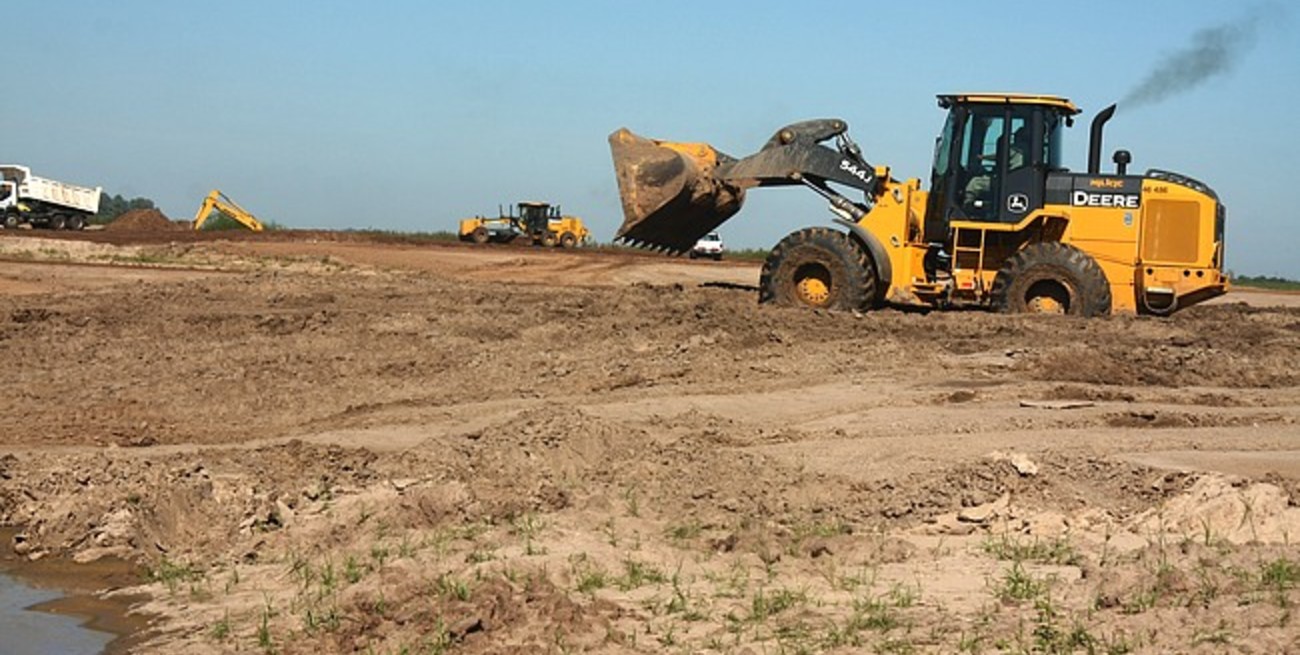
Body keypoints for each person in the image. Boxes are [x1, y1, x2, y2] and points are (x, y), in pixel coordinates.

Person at [963, 126, 1029, 213]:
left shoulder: (1016, 149)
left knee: (975, 182)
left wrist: (983, 157)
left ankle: (967, 205)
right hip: (1017, 180)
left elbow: (1000, 155)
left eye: (1016, 135)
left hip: (1009, 180)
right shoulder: (1028, 150)